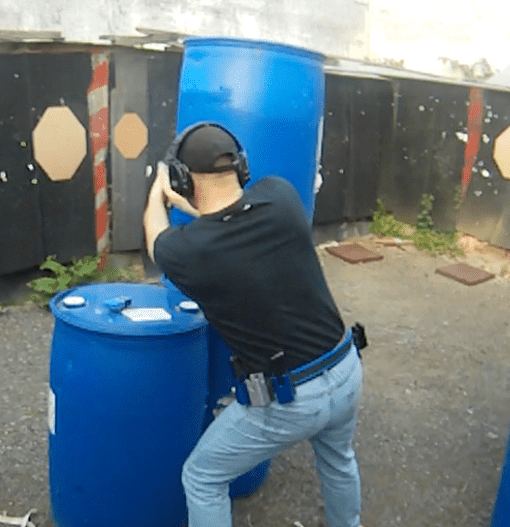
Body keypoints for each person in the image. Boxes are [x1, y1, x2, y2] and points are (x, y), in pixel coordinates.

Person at [143, 122, 364, 527]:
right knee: (338, 459)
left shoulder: (189, 253)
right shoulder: (281, 196)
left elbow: (156, 233)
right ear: (241, 168)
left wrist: (160, 192)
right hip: (347, 367)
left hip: (293, 399)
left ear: (182, 179)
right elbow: (227, 216)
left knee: (202, 477)